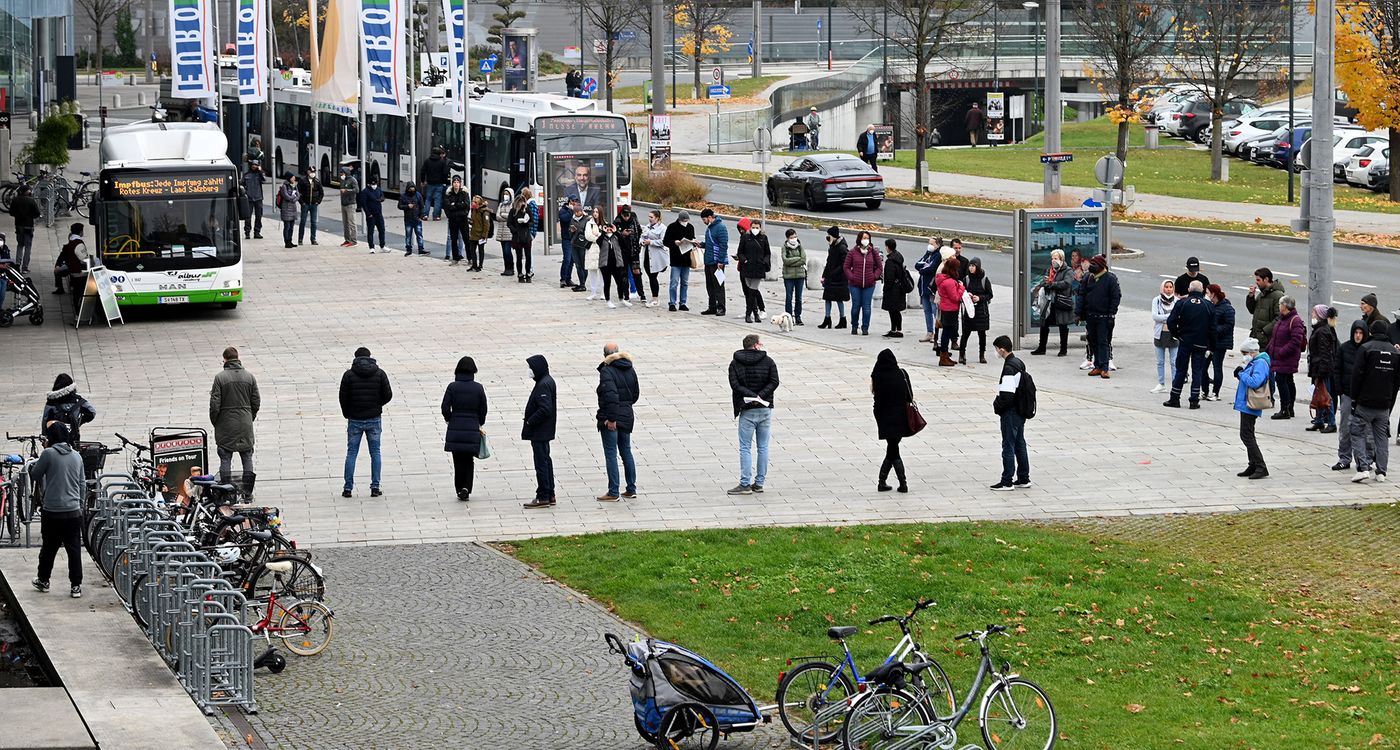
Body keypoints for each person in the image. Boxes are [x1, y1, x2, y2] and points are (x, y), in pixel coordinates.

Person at [30, 421, 85, 599]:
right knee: (74, 549)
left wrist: (42, 454)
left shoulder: (48, 453)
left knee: (49, 548)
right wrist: (80, 504)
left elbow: (35, 474)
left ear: (51, 437)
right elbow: (82, 483)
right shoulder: (77, 456)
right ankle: (76, 585)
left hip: (52, 511)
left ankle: (43, 580)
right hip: (73, 510)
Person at [727, 334, 779, 495]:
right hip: (764, 408)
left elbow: (735, 385)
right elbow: (774, 381)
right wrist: (761, 396)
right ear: (756, 345)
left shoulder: (735, 363)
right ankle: (759, 483)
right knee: (763, 447)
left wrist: (750, 396)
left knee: (745, 447)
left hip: (746, 409)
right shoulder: (768, 361)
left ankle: (744, 483)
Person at [1349, 321, 1399, 483]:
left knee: (1357, 432)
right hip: (1384, 404)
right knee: (1382, 438)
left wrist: (1354, 399)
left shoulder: (1366, 348)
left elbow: (1357, 376)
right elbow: (1397, 380)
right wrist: (1390, 401)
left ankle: (1363, 467)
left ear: (1371, 332)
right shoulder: (1395, 352)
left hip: (1365, 402)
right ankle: (1381, 472)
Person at [339, 347, 393, 498]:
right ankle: (375, 487)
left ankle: (348, 488)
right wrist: (377, 405)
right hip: (374, 418)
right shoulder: (380, 373)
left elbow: (343, 397)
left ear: (355, 358)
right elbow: (388, 395)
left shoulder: (348, 375)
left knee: (351, 453)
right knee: (375, 452)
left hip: (355, 419)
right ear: (370, 357)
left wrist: (347, 413)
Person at [209, 346, 261, 498]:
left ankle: (226, 492)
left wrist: (216, 422)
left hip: (226, 424)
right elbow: (256, 401)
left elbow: (214, 405)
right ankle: (247, 492)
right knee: (247, 456)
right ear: (238, 358)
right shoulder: (250, 377)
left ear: (225, 359)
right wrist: (249, 417)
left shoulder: (220, 378)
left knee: (225, 456)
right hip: (245, 423)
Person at [595, 342, 639, 502]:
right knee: (626, 451)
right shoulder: (630, 368)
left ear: (605, 355)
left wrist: (611, 419)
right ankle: (631, 488)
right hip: (627, 415)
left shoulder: (607, 371)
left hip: (611, 418)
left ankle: (613, 491)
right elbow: (635, 394)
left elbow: (611, 396)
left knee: (611, 454)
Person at [441, 356, 488, 502]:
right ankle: (467, 487)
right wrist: (479, 422)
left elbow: (444, 407)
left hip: (456, 427)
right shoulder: (478, 387)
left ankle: (459, 487)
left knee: (458, 460)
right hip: (472, 426)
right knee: (468, 460)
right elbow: (483, 408)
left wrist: (449, 419)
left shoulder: (452, 387)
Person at [990, 335, 1031, 490]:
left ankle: (1007, 480)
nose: (996, 352)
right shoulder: (1019, 362)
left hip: (1011, 412)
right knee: (1020, 443)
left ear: (1001, 349)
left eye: (996, 349)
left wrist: (997, 405)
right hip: (1021, 410)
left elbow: (1007, 395)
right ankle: (1023, 478)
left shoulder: (1009, 368)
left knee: (1008, 445)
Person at [1165, 280, 1213, 408]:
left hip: (1185, 341)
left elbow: (1171, 321)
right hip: (1201, 343)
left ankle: (1175, 398)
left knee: (1181, 369)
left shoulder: (1182, 303)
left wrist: (1177, 334)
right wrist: (1209, 343)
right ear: (1202, 290)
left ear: (1189, 290)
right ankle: (1194, 400)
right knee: (1197, 371)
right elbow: (1213, 327)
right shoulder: (1208, 305)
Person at [870, 349, 912, 492]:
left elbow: (876, 398)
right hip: (901, 416)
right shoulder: (902, 374)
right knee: (893, 448)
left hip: (884, 417)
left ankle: (887, 482)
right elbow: (909, 395)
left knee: (892, 449)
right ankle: (900, 483)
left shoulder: (877, 377)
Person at [521, 355, 558, 509]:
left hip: (540, 431)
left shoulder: (543, 384)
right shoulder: (546, 381)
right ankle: (550, 493)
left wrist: (530, 421)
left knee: (541, 463)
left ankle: (543, 495)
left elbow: (545, 409)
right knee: (546, 461)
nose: (529, 371)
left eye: (531, 367)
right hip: (544, 431)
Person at [1233, 338, 1272, 480]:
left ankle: (1261, 466)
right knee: (1247, 434)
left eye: (1244, 353)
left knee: (1246, 435)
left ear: (1251, 352)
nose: (1243, 355)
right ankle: (1253, 465)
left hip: (1251, 403)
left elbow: (1255, 382)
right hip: (1246, 403)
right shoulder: (1254, 362)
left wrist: (1241, 374)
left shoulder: (1260, 363)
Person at [1333, 320, 1370, 471]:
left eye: (1361, 333)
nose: (1358, 336)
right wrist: (1339, 389)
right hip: (1347, 393)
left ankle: (1365, 459)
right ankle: (1344, 457)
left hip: (1363, 396)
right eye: (1356, 332)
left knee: (1365, 429)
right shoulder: (1344, 348)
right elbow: (1337, 369)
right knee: (1345, 427)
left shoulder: (1368, 349)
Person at [1080, 254, 1120, 378]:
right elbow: (1081, 295)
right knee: (1093, 341)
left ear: (1101, 266)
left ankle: (1104, 367)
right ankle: (1097, 366)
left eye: (1094, 264)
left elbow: (1116, 297)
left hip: (1104, 317)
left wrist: (1111, 314)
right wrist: (1078, 313)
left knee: (1103, 342)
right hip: (1091, 316)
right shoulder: (1088, 278)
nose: (1091, 267)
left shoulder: (1110, 279)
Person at [1266, 295, 1306, 420]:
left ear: (1285, 306)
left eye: (1280, 304)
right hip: (1280, 356)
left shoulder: (1295, 320)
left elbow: (1296, 341)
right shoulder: (1282, 319)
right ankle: (1289, 408)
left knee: (1282, 381)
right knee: (1288, 381)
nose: (1279, 306)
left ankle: (1285, 409)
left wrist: (1281, 352)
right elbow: (1276, 337)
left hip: (1287, 357)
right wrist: (1269, 349)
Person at [1029, 249, 1073, 356]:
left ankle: (1063, 349)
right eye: (1052, 258)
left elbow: (1066, 284)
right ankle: (1041, 347)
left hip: (1061, 301)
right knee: (1044, 324)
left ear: (1061, 259)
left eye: (1056, 258)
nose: (1053, 261)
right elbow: (1045, 282)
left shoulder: (1068, 270)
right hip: (1049, 302)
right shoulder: (1050, 270)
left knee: (1063, 326)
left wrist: (1051, 283)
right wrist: (1045, 283)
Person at [1305, 305, 1340, 432]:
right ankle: (1319, 420)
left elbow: (1325, 354)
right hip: (1319, 368)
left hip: (1323, 370)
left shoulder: (1322, 331)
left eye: (1314, 313)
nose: (1312, 315)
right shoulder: (1320, 329)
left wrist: (1321, 372)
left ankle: (1331, 423)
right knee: (1319, 394)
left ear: (1319, 315)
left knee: (1325, 396)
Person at [844, 230, 883, 337]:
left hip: (869, 284)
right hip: (855, 284)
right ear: (859, 239)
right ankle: (854, 326)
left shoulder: (873, 252)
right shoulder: (852, 252)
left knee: (866, 307)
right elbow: (846, 267)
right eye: (864, 238)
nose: (866, 240)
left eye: (867, 238)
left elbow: (880, 267)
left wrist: (874, 277)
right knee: (856, 306)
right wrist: (852, 277)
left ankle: (865, 327)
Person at [41, 373, 96, 444]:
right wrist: (78, 422)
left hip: (54, 439)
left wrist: (44, 435)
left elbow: (45, 420)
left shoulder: (51, 402)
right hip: (73, 437)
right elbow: (92, 412)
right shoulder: (78, 400)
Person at [1202, 284, 1235, 401]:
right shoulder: (1210, 306)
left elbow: (1229, 325)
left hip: (1220, 342)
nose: (1206, 295)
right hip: (1208, 342)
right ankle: (1204, 391)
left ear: (1213, 294)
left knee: (1217, 366)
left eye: (1208, 293)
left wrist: (1215, 330)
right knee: (1203, 367)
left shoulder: (1227, 308)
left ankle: (1215, 393)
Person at [736, 217, 770, 323]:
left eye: (757, 227)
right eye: (753, 227)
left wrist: (764, 262)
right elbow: (740, 252)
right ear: (750, 228)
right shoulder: (745, 238)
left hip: (758, 268)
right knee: (750, 291)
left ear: (760, 228)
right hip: (747, 268)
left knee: (752, 290)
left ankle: (749, 314)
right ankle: (755, 314)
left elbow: (767, 253)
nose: (755, 229)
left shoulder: (763, 238)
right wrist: (744, 260)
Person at [959, 257, 993, 363]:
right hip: (969, 310)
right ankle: (962, 354)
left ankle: (982, 355)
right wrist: (967, 295)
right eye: (970, 265)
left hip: (981, 310)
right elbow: (962, 292)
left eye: (973, 266)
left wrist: (980, 298)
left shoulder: (984, 279)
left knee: (982, 334)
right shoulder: (967, 279)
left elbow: (990, 294)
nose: (971, 268)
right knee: (965, 333)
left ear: (977, 267)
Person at [1150, 280, 1180, 394]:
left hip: (1173, 334)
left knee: (1174, 361)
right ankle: (1161, 383)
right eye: (1166, 287)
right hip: (1160, 334)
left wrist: (1166, 317)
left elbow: (1179, 317)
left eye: (1170, 287)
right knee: (1160, 361)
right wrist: (1170, 317)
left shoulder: (1177, 301)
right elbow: (1155, 316)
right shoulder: (1156, 300)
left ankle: (1175, 384)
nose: (1168, 289)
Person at [1245, 267, 1284, 350]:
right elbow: (1252, 310)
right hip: (1257, 338)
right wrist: (1250, 297)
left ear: (1266, 279)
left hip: (1267, 340)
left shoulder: (1277, 296)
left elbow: (1280, 317)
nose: (1256, 282)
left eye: (1258, 280)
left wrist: (1264, 331)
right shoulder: (1262, 294)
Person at [819, 227, 850, 329]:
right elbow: (828, 262)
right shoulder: (832, 246)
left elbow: (844, 264)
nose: (827, 238)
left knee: (838, 299)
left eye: (829, 236)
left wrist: (834, 273)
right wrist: (824, 275)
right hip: (830, 277)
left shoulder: (842, 247)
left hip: (839, 278)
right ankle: (827, 318)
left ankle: (843, 319)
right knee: (827, 298)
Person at [52, 224, 88, 311]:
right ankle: (79, 311)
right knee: (80, 292)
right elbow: (84, 259)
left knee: (76, 293)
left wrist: (57, 265)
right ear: (81, 232)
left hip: (72, 271)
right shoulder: (78, 243)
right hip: (79, 272)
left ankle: (77, 311)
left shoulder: (69, 244)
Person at [664, 210, 695, 311]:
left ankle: (683, 302)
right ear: (680, 219)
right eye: (683, 220)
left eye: (687, 220)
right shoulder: (672, 227)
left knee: (685, 282)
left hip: (686, 258)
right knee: (674, 282)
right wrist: (674, 242)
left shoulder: (690, 227)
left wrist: (693, 243)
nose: (685, 222)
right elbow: (665, 241)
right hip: (676, 258)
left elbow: (692, 239)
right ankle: (672, 302)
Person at [700, 208, 729, 317]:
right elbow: (709, 243)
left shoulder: (721, 227)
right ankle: (712, 306)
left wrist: (721, 261)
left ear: (709, 217)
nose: (704, 222)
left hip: (717, 261)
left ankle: (721, 307)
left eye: (704, 219)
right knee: (710, 286)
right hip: (708, 260)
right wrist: (701, 244)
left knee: (719, 286)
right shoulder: (710, 228)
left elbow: (723, 245)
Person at [598, 220, 632, 308]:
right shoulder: (602, 238)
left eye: (610, 228)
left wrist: (616, 231)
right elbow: (599, 242)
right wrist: (603, 232)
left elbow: (623, 244)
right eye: (607, 228)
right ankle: (608, 300)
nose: (609, 229)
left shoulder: (616, 237)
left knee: (620, 282)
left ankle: (621, 299)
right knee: (607, 282)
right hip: (605, 264)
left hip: (616, 263)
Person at [614, 204, 644, 303]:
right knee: (624, 274)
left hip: (634, 250)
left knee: (636, 272)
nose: (626, 217)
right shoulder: (617, 221)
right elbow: (613, 235)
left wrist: (638, 241)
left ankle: (641, 294)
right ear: (621, 214)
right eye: (624, 215)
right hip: (622, 252)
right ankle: (626, 295)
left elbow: (639, 230)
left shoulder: (634, 218)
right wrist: (622, 233)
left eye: (628, 215)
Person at [8, 184, 40, 273]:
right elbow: (37, 213)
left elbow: (11, 212)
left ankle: (17, 264)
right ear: (27, 191)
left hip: (18, 225)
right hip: (28, 226)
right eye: (29, 190)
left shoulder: (15, 200)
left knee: (20, 245)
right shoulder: (31, 201)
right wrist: (31, 216)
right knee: (28, 246)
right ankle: (25, 267)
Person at [880, 239, 908, 338]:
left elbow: (889, 278)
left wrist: (885, 289)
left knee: (893, 310)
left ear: (888, 247)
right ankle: (897, 329)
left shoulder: (890, 261)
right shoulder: (898, 257)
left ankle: (895, 329)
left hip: (892, 290)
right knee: (896, 310)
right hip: (899, 288)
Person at [914, 238, 940, 343]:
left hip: (931, 288)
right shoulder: (928, 254)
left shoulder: (938, 255)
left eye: (932, 244)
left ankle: (936, 333)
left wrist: (923, 268)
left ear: (937, 245)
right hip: (923, 287)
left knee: (935, 311)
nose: (929, 246)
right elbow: (917, 265)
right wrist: (923, 267)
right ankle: (929, 332)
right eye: (929, 243)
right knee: (927, 311)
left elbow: (931, 268)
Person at [781, 228, 807, 326]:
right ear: (788, 238)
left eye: (795, 236)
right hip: (788, 276)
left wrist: (793, 261)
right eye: (792, 237)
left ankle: (798, 317)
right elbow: (785, 260)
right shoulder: (784, 247)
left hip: (800, 275)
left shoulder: (800, 246)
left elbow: (803, 259)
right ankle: (789, 316)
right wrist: (797, 259)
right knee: (789, 297)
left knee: (799, 298)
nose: (794, 239)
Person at [442, 176, 470, 265]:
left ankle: (470, 258)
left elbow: (466, 205)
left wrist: (455, 205)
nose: (456, 184)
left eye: (458, 182)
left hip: (463, 219)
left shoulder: (464, 193)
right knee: (453, 239)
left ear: (460, 183)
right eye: (454, 182)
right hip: (453, 219)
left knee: (466, 238)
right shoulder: (449, 194)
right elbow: (447, 206)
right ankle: (455, 258)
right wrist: (455, 208)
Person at [642, 209, 667, 307]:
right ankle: (653, 297)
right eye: (649, 217)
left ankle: (655, 299)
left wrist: (651, 242)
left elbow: (663, 241)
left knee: (653, 276)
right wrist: (642, 242)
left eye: (651, 217)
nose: (649, 219)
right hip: (647, 254)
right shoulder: (647, 227)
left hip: (657, 255)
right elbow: (643, 236)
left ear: (657, 218)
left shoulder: (662, 228)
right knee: (650, 275)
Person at [508, 193, 536, 282]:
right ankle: (520, 273)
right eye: (520, 202)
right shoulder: (513, 211)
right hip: (517, 237)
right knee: (519, 256)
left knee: (528, 256)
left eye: (523, 202)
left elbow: (532, 221)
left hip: (526, 236)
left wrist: (527, 223)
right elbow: (509, 223)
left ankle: (528, 273)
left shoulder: (527, 210)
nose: (522, 204)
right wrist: (514, 230)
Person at [419, 147, 451, 220]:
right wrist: (444, 181)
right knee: (437, 200)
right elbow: (445, 173)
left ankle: (425, 215)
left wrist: (423, 181)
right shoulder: (442, 162)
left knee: (428, 199)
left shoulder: (427, 161)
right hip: (439, 184)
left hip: (430, 183)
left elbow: (423, 171)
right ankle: (436, 216)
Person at [570, 202, 595, 293]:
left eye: (579, 211)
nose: (577, 213)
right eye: (576, 212)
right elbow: (570, 234)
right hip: (574, 244)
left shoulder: (587, 219)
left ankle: (582, 283)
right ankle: (582, 284)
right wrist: (572, 231)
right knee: (578, 265)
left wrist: (580, 231)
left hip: (583, 245)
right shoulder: (572, 219)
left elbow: (589, 232)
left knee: (584, 265)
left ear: (582, 211)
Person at [296, 166, 324, 245]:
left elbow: (321, 193)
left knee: (313, 222)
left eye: (314, 172)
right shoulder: (302, 181)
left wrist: (318, 202)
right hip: (305, 204)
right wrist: (302, 203)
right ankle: (300, 239)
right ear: (308, 172)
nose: (313, 173)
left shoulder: (317, 181)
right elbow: (298, 192)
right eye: (311, 172)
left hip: (314, 205)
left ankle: (313, 239)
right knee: (303, 222)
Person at [398, 183, 426, 256]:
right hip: (408, 219)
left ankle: (421, 249)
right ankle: (408, 249)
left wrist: (421, 215)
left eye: (413, 188)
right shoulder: (403, 196)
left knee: (419, 234)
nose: (412, 189)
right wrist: (407, 206)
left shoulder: (418, 195)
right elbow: (399, 206)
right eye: (410, 188)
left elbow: (422, 206)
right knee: (408, 235)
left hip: (417, 218)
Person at [583, 208, 605, 299]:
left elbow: (605, 236)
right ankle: (593, 292)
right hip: (592, 249)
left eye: (597, 212)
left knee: (603, 273)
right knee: (592, 272)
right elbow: (588, 236)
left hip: (602, 250)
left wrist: (597, 235)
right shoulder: (589, 223)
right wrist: (597, 237)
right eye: (594, 212)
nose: (595, 214)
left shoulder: (604, 223)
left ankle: (604, 293)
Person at [274, 172, 300, 249]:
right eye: (293, 177)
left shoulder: (294, 185)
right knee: (287, 226)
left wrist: (294, 198)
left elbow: (298, 195)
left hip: (293, 209)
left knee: (291, 227)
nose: (294, 179)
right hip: (286, 209)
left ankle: (290, 241)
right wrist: (293, 197)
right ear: (289, 178)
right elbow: (286, 197)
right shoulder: (284, 187)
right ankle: (286, 242)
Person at [360, 176, 386, 253]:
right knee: (371, 231)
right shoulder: (365, 192)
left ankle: (382, 245)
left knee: (382, 230)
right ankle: (371, 247)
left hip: (379, 214)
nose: (374, 185)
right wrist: (368, 214)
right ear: (368, 184)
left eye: (375, 184)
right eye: (372, 184)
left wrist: (381, 199)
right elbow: (364, 204)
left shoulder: (378, 189)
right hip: (371, 215)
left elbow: (382, 196)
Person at [493, 187, 515, 273]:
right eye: (504, 194)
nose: (505, 196)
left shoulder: (513, 205)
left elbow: (512, 217)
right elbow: (497, 216)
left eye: (507, 194)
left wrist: (503, 215)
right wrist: (505, 216)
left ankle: (511, 268)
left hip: (509, 232)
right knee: (504, 252)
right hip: (501, 232)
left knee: (507, 251)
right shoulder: (501, 204)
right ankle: (506, 268)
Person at [338, 161, 360, 247]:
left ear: (346, 173)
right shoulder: (343, 180)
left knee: (352, 223)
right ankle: (347, 239)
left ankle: (353, 240)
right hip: (343, 203)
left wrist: (347, 191)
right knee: (345, 223)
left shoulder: (352, 180)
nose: (341, 175)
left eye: (342, 173)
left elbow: (357, 190)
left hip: (350, 204)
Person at [559, 196, 579, 288]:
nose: (574, 203)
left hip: (574, 238)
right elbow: (564, 219)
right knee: (567, 258)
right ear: (569, 202)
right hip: (566, 238)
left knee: (572, 260)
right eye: (573, 201)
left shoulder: (577, 210)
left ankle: (568, 278)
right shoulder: (563, 210)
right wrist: (570, 211)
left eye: (576, 201)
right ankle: (563, 279)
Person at [241, 162, 265, 239]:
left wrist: (260, 171)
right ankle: (247, 232)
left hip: (258, 198)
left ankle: (257, 232)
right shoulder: (246, 175)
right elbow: (242, 184)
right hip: (249, 198)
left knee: (259, 216)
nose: (254, 166)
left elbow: (264, 180)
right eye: (253, 165)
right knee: (248, 217)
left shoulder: (259, 174)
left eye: (256, 165)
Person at [468, 195, 491, 271]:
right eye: (473, 201)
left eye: (474, 202)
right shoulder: (474, 210)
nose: (473, 203)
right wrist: (471, 221)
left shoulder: (484, 212)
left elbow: (486, 224)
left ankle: (480, 265)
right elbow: (474, 221)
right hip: (473, 233)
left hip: (481, 235)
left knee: (481, 250)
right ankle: (474, 265)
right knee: (472, 250)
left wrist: (484, 235)